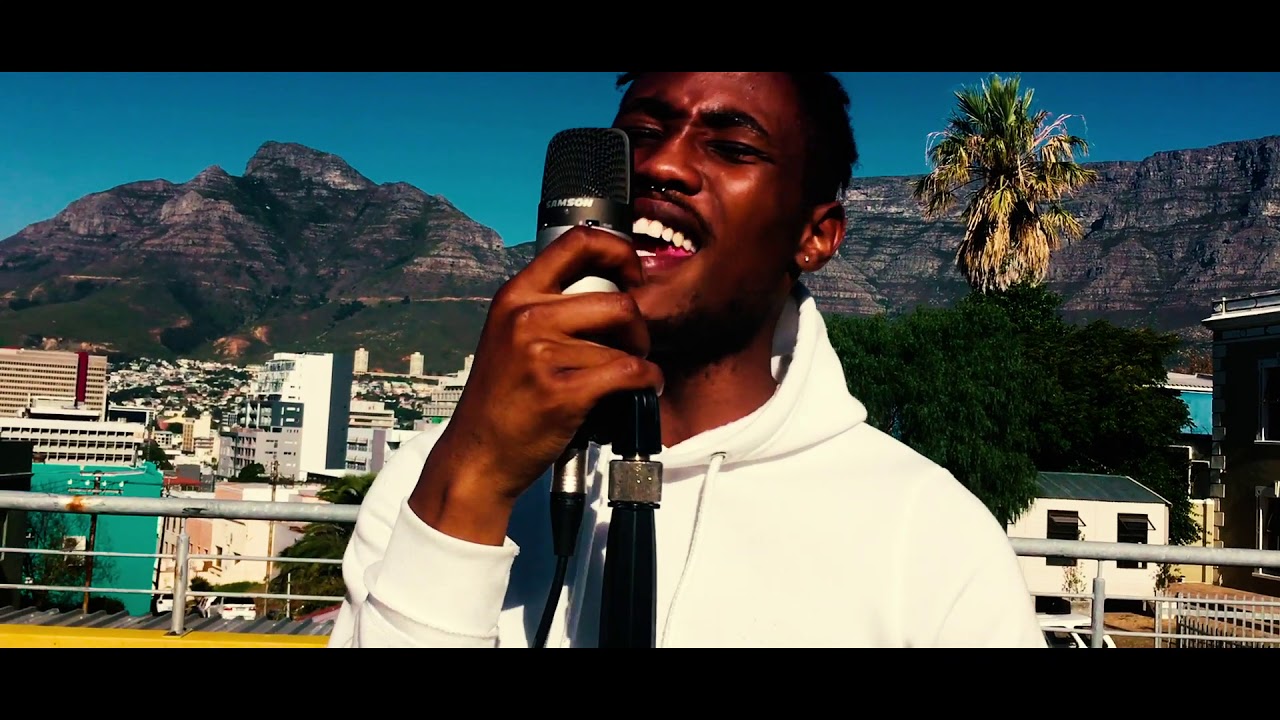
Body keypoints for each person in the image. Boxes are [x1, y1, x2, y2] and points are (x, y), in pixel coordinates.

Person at [328, 72, 1047, 648]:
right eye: (639, 136)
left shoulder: (931, 537)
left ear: (816, 237)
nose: (660, 164)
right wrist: (474, 490)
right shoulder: (434, 479)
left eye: (732, 147)